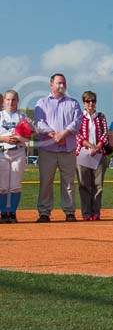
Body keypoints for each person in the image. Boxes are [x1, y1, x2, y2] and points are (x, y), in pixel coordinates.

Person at [34, 73, 82, 222]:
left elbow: (77, 122)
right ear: (51, 84)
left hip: (67, 149)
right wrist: (53, 134)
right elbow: (39, 122)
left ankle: (69, 212)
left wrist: (64, 134)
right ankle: (44, 212)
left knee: (68, 182)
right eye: (59, 83)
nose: (62, 85)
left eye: (64, 83)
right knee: (46, 182)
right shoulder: (41, 103)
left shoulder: (73, 103)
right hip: (47, 150)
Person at [75, 91, 109, 221]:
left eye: (93, 101)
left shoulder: (101, 116)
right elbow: (77, 134)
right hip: (82, 154)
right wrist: (89, 145)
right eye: (88, 101)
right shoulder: (79, 116)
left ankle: (96, 212)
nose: (91, 103)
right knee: (84, 185)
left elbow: (105, 133)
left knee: (98, 186)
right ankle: (86, 213)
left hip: (98, 155)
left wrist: (98, 147)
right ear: (84, 103)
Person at [0, 90, 30, 223]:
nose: (10, 102)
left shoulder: (22, 117)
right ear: (4, 101)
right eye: (8, 99)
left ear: (17, 101)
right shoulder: (0, 116)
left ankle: (12, 213)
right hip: (2, 152)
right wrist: (5, 138)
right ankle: (3, 213)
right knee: (2, 186)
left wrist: (19, 138)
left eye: (13, 100)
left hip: (18, 152)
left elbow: (29, 136)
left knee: (15, 185)